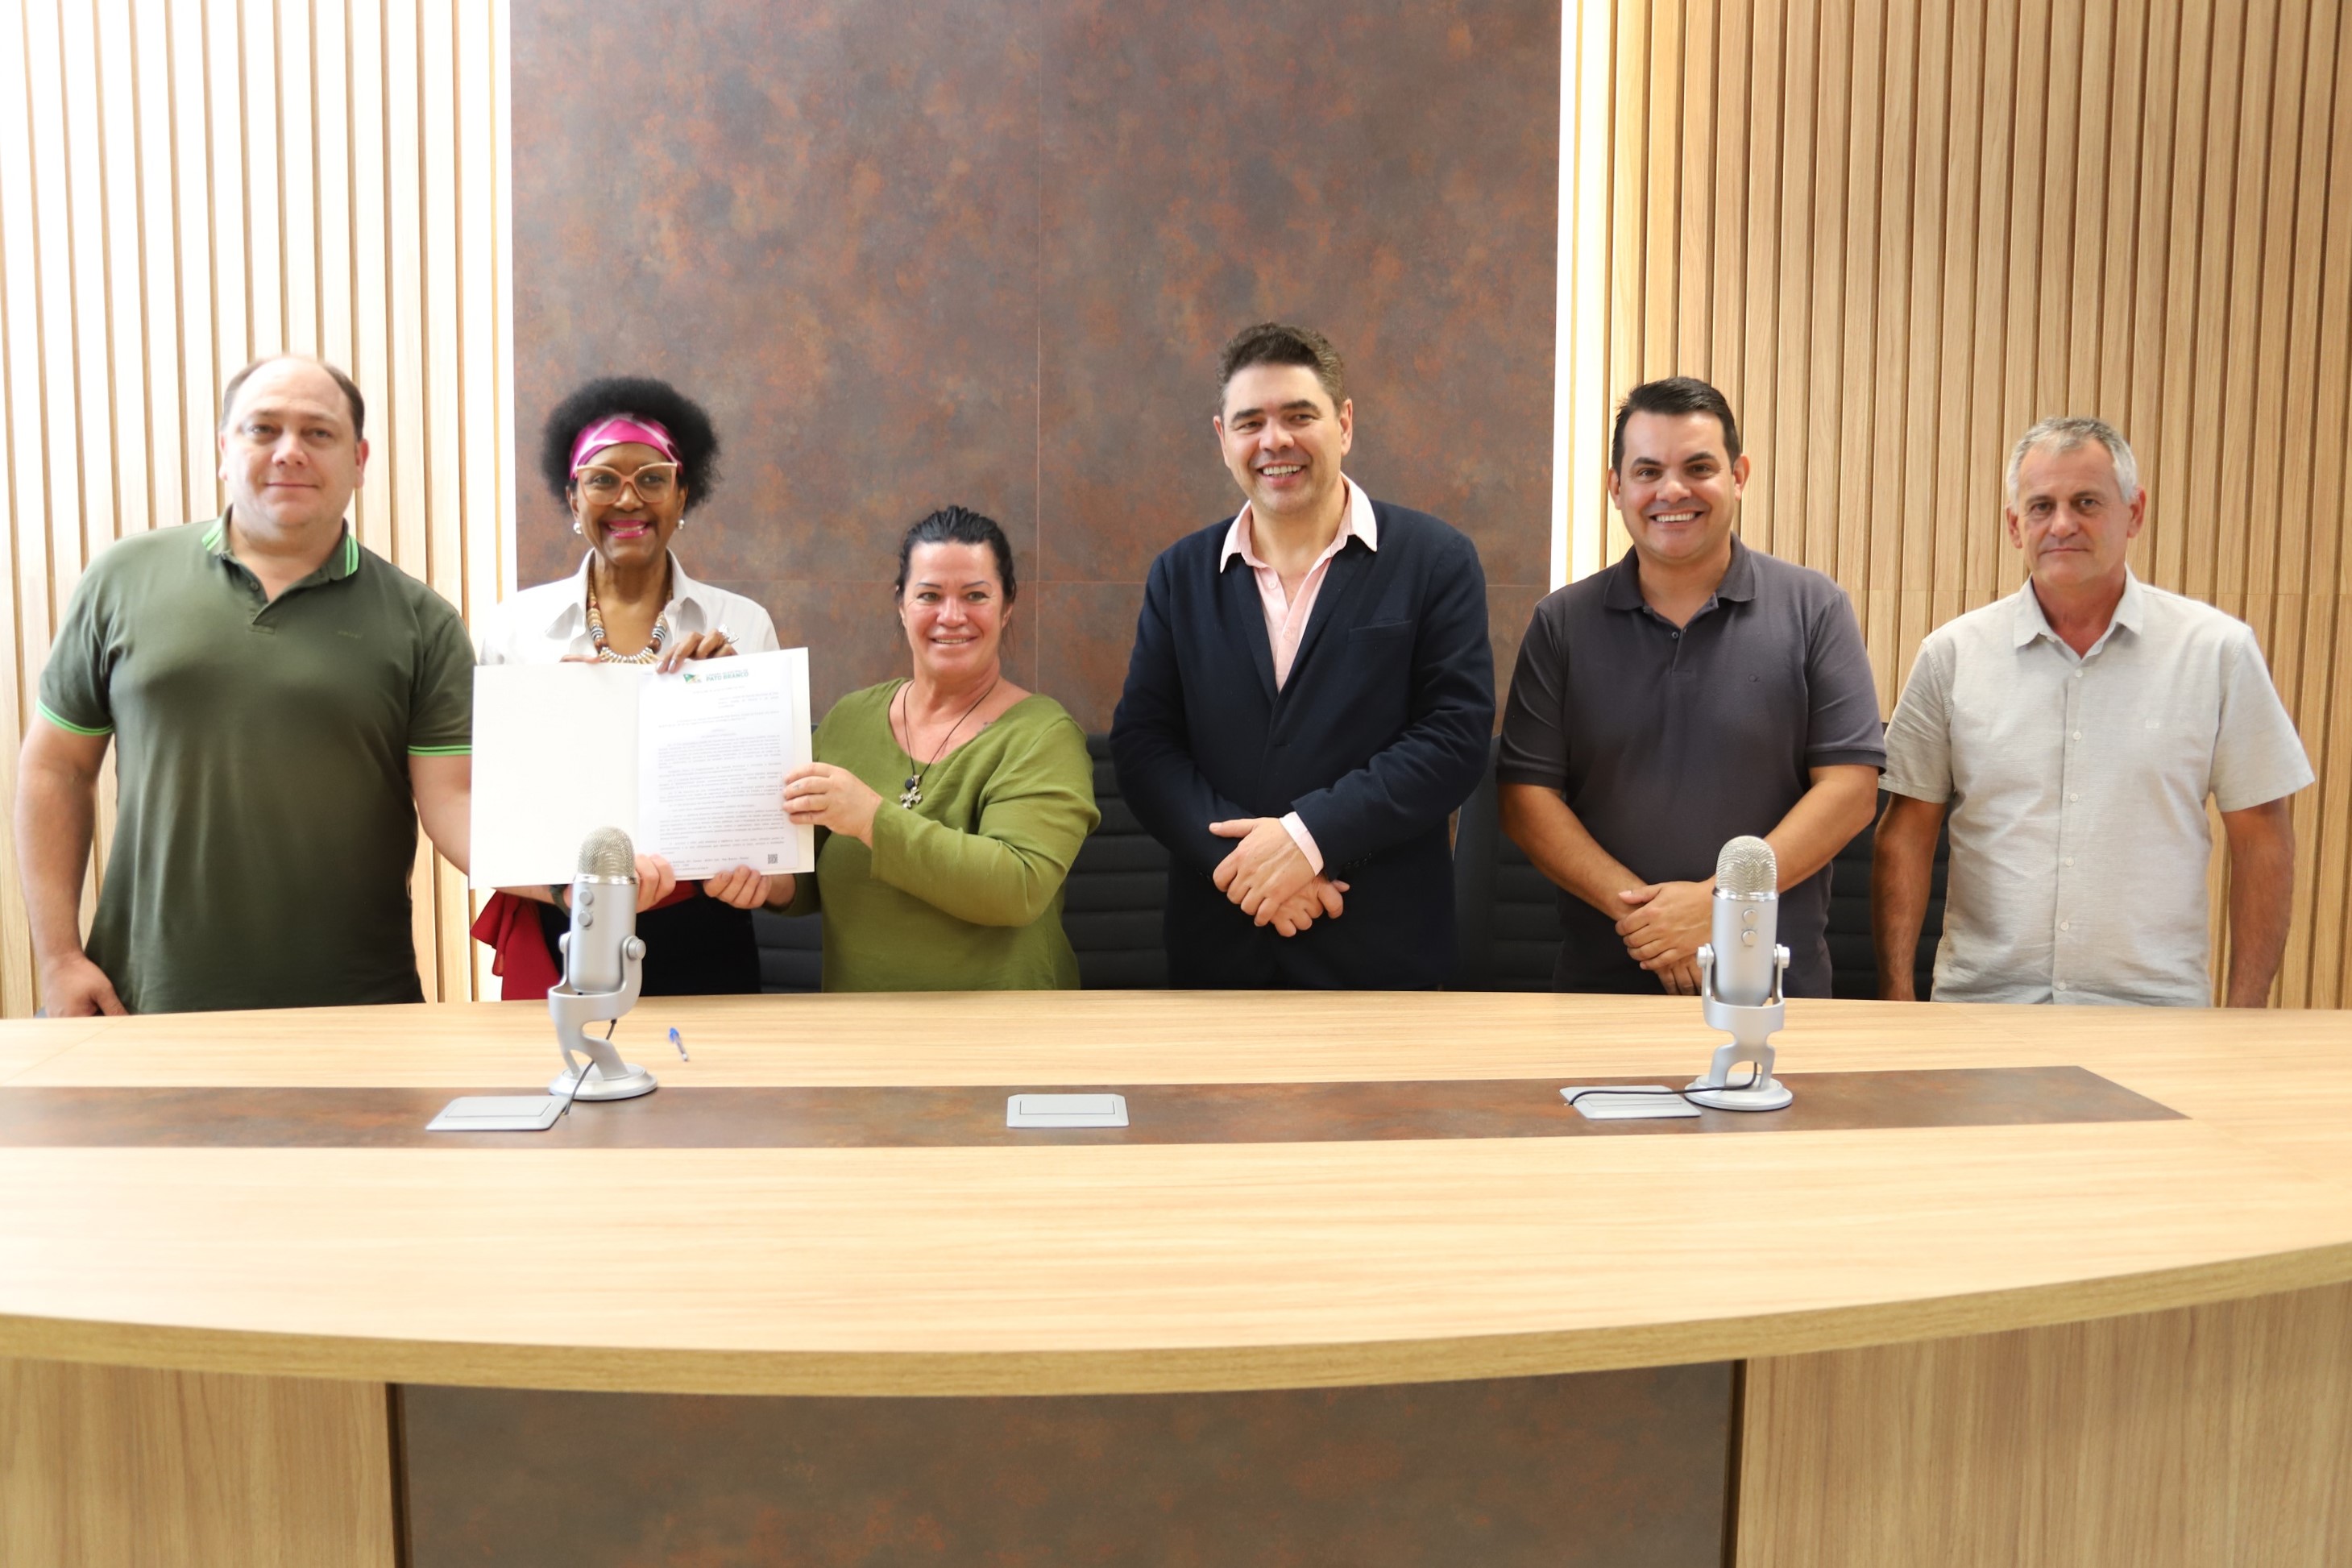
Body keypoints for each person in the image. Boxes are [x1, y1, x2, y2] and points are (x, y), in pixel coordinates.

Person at [14, 355, 473, 1014]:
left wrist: (571, 881)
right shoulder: (121, 579)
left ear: (359, 460)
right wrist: (59, 960)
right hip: (141, 1001)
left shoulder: (423, 623)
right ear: (225, 451)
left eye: (318, 433)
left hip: (358, 1007)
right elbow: (56, 768)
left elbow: (453, 802)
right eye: (263, 429)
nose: (289, 451)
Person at [1873, 417, 2312, 1007]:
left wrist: (2246, 1014)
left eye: (2086, 502)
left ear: (2134, 513)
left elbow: (2262, 833)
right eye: (2040, 506)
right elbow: (1905, 830)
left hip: (2153, 1015)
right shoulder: (1950, 656)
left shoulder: (2216, 652)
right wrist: (1897, 998)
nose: (2062, 525)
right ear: (2014, 525)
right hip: (1984, 1011)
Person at [1110, 321, 1494, 988]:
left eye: (1298, 416)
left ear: (1343, 425)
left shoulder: (1435, 560)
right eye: (1249, 422)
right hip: (1220, 946)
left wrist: (1308, 838)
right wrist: (1246, 867)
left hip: (1382, 951)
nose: (1274, 441)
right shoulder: (1179, 574)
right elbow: (1144, 746)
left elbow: (1452, 738)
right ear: (1222, 439)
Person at [1498, 376, 1882, 997]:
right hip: (1602, 987)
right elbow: (1525, 801)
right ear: (1615, 487)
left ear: (1738, 476)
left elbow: (1850, 791)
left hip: (1774, 985)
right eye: (1647, 471)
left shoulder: (1815, 608)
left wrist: (1720, 904)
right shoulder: (1561, 622)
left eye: (1698, 468)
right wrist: (1652, 923)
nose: (1671, 491)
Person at [470, 376, 787, 997]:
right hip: (565, 919)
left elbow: (769, 828)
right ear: (572, 498)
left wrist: (729, 699)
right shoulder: (517, 629)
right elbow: (489, 821)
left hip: (705, 924)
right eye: (602, 479)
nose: (627, 499)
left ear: (682, 493)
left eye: (651, 478)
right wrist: (549, 717)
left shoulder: (743, 625)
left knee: (712, 1066)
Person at [777, 506, 1098, 989]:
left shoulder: (1044, 735)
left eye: (975, 596)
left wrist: (870, 819)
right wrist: (764, 883)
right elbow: (805, 878)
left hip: (1005, 1028)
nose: (952, 616)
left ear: (1007, 606)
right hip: (857, 1026)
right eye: (929, 595)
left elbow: (1018, 887)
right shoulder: (849, 720)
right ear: (901, 605)